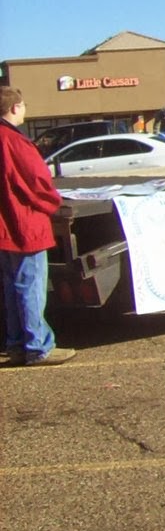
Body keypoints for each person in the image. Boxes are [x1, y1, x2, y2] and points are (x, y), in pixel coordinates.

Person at [0, 87, 72, 366]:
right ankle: (38, 346)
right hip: (24, 224)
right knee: (30, 286)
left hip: (6, 227)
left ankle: (17, 344)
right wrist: (54, 203)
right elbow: (36, 182)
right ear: (15, 108)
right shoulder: (16, 142)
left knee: (13, 286)